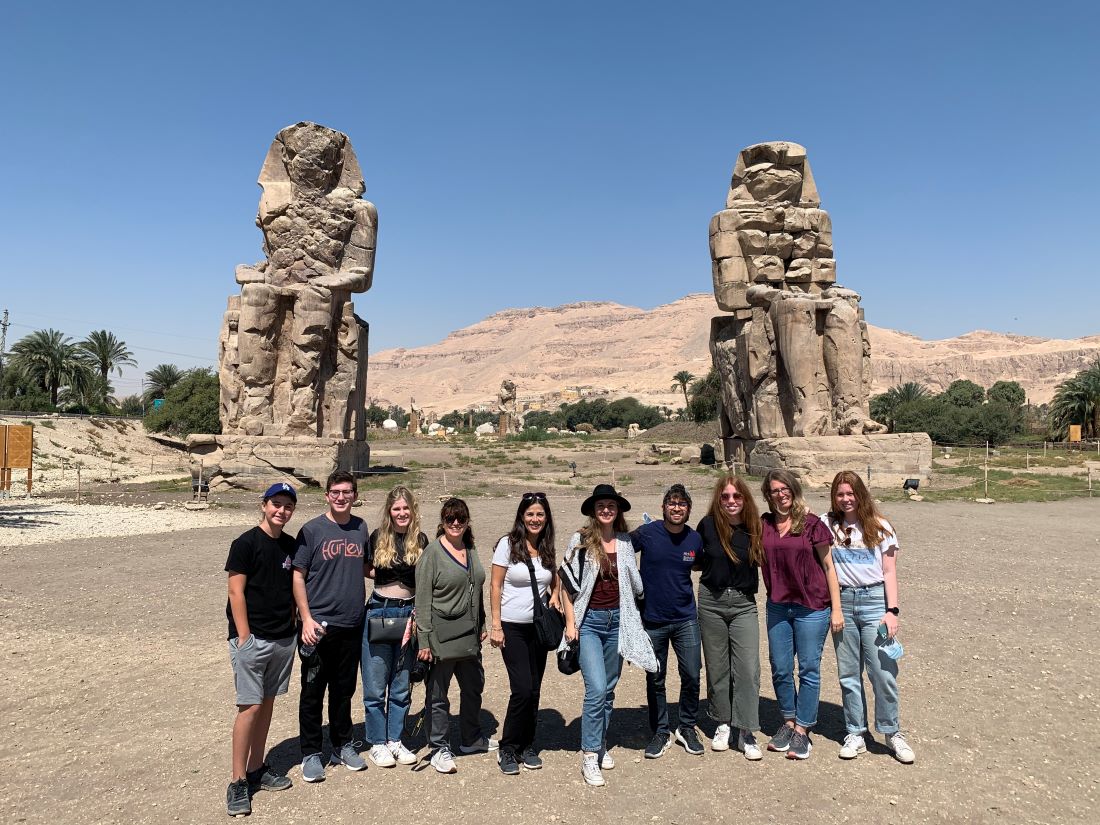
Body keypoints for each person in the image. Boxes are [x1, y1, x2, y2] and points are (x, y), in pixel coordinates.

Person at [560, 484, 657, 787]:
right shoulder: (580, 540)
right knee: (597, 688)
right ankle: (589, 754)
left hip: (619, 621)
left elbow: (635, 584)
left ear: (617, 511)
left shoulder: (626, 542)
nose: (606, 510)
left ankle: (600, 742)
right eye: (601, 506)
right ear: (593, 510)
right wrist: (571, 623)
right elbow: (566, 583)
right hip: (589, 622)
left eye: (611, 506)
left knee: (610, 689)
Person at [826, 471, 915, 764]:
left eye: (850, 493)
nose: (846, 499)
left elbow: (890, 572)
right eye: (840, 494)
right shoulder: (828, 525)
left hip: (874, 600)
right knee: (848, 674)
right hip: (843, 601)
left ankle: (892, 732)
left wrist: (892, 611)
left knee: (883, 673)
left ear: (860, 494)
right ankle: (855, 732)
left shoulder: (879, 527)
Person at [224, 483, 299, 817]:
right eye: (276, 504)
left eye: (287, 506)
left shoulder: (290, 545)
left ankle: (257, 767)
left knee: (267, 704)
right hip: (253, 639)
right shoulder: (245, 543)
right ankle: (238, 780)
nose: (281, 511)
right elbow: (235, 592)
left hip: (283, 638)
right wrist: (244, 637)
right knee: (249, 708)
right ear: (264, 505)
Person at [759, 468, 843, 761]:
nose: (780, 494)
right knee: (780, 667)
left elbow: (829, 567)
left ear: (793, 490)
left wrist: (837, 608)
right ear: (767, 495)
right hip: (779, 605)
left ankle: (803, 730)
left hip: (812, 606)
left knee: (808, 668)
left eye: (785, 489)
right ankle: (788, 721)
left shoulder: (811, 524)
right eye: (774, 491)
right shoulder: (765, 524)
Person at [293, 470, 369, 782]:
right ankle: (311, 752)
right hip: (318, 626)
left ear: (354, 495)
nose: (341, 497)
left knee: (344, 690)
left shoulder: (360, 527)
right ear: (327, 495)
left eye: (347, 492)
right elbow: (298, 575)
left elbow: (366, 567)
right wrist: (305, 618)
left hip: (351, 624)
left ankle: (341, 744)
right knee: (312, 691)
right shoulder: (312, 530)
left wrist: (403, 572)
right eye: (335, 492)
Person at [415, 497, 496, 774]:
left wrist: (482, 623)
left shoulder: (471, 549)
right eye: (450, 518)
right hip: (441, 636)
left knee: (474, 687)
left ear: (467, 520)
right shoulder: (432, 554)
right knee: (438, 695)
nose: (456, 523)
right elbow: (422, 600)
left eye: (460, 518)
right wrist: (424, 640)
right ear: (443, 521)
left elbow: (477, 588)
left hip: (469, 634)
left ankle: (471, 738)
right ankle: (438, 747)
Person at [630, 483, 705, 759]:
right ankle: (661, 731)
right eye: (672, 503)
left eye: (682, 504)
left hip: (685, 618)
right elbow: (620, 549)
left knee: (692, 675)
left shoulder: (694, 539)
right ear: (663, 507)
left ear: (688, 510)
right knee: (656, 677)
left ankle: (686, 727)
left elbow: (699, 564)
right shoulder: (647, 534)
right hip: (654, 619)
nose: (676, 508)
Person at [489, 492, 561, 774]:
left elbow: (554, 578)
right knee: (521, 689)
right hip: (511, 626)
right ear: (521, 516)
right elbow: (495, 586)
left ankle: (527, 745)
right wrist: (496, 624)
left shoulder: (546, 546)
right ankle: (508, 747)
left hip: (538, 628)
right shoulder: (508, 545)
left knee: (534, 689)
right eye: (530, 514)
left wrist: (554, 595)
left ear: (546, 518)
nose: (535, 519)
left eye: (540, 514)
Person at [694, 475, 765, 761]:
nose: (731, 501)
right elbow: (694, 556)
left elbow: (789, 528)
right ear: (718, 499)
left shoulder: (756, 527)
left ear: (745, 499)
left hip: (744, 603)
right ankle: (723, 721)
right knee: (717, 665)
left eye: (736, 496)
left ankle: (746, 729)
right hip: (711, 600)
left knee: (748, 668)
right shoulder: (707, 525)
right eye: (725, 497)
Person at [361, 485, 428, 768]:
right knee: (376, 685)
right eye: (396, 508)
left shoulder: (421, 540)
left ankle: (394, 740)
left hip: (409, 613)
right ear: (389, 511)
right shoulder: (379, 537)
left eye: (406, 508)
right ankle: (377, 742)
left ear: (413, 511)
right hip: (380, 610)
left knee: (401, 684)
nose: (401, 513)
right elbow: (367, 568)